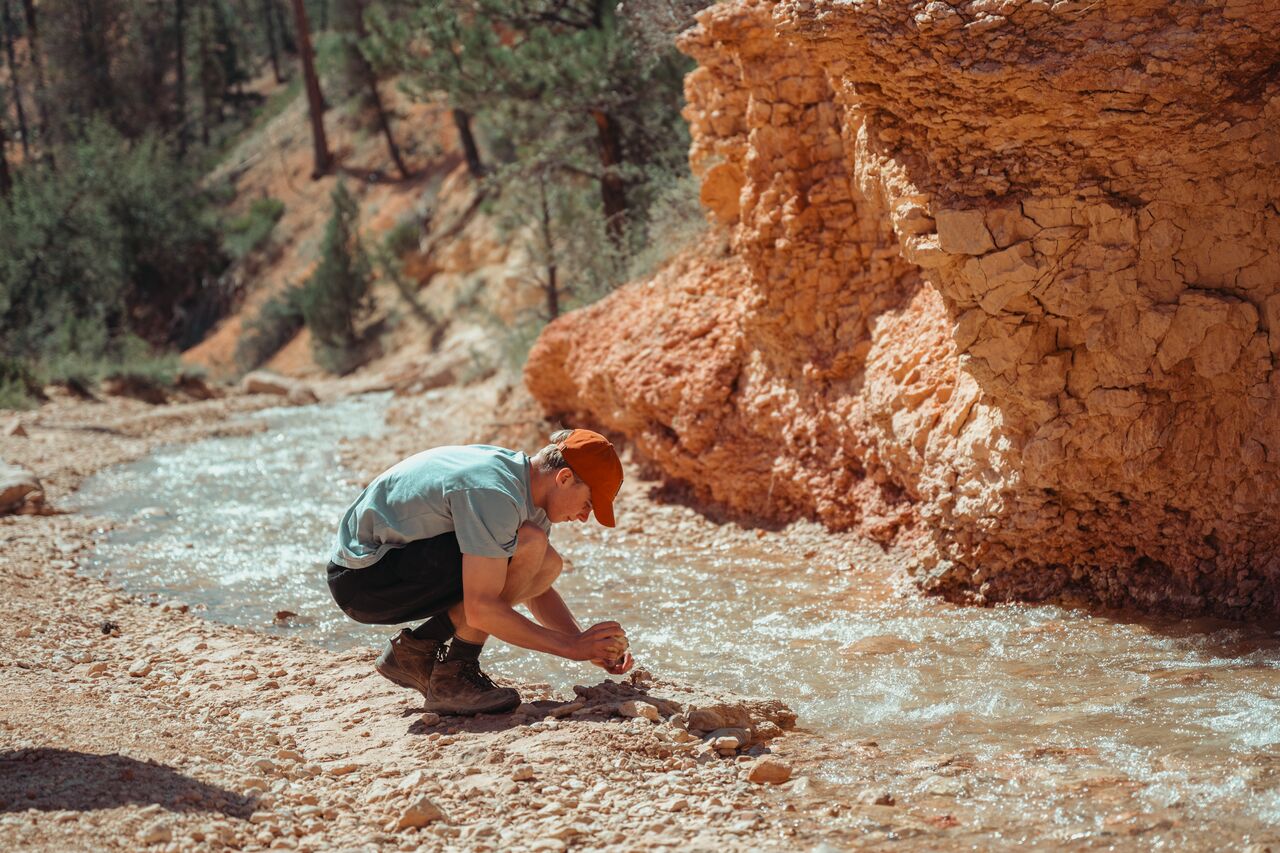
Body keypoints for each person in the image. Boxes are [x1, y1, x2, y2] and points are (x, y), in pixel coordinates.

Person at [325, 428, 634, 715]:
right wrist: (570, 648)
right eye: (589, 504)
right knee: (528, 547)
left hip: (394, 563)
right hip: (362, 578)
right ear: (564, 478)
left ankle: (413, 653)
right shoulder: (495, 492)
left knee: (546, 560)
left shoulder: (526, 492)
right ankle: (454, 674)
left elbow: (532, 586)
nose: (584, 518)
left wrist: (587, 645)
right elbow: (482, 609)